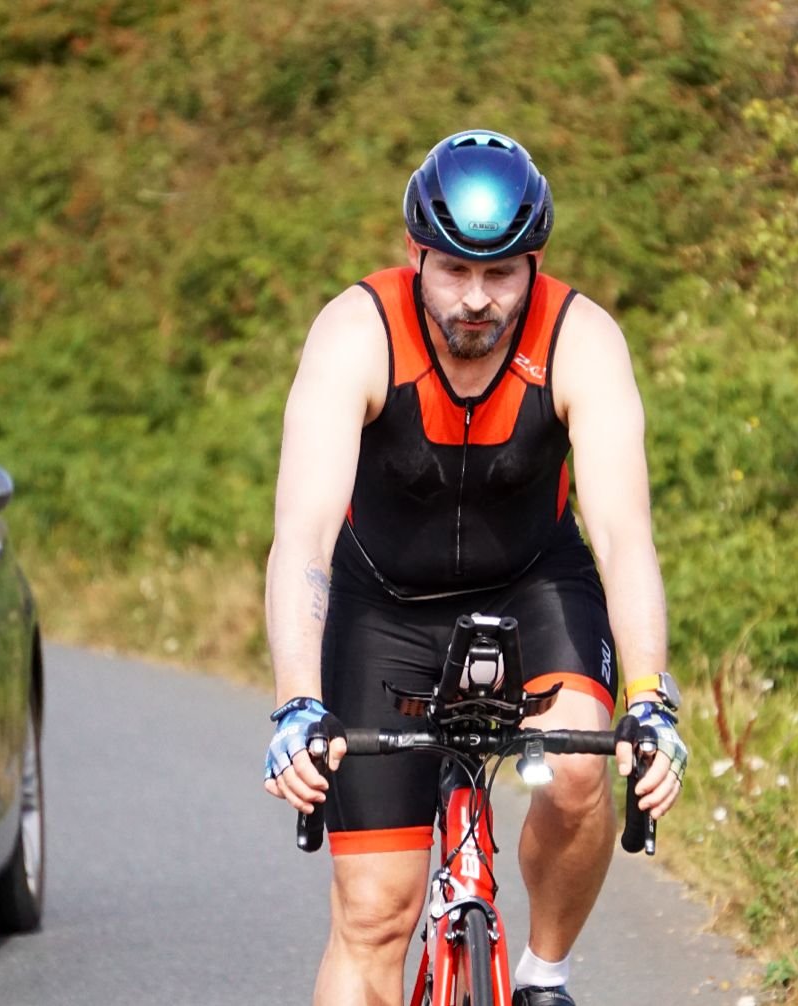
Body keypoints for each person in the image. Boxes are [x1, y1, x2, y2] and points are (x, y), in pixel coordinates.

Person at [262, 129, 689, 1006]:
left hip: (534, 581)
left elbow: (622, 536)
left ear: (534, 265)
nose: (476, 300)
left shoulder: (582, 338)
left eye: (501, 275)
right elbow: (303, 538)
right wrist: (296, 702)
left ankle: (544, 974)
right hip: (382, 604)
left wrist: (649, 694)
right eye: (454, 270)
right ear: (415, 253)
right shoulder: (356, 332)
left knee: (576, 769)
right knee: (376, 914)